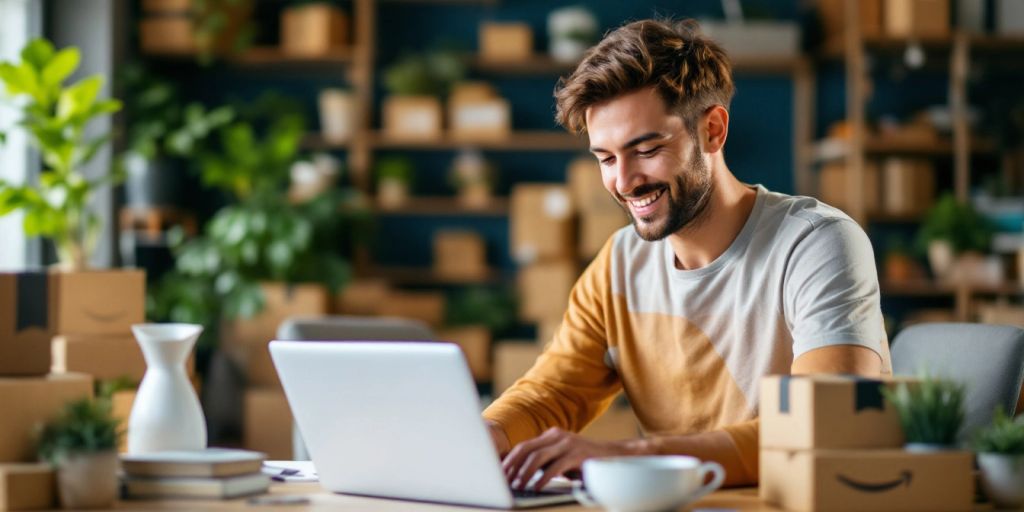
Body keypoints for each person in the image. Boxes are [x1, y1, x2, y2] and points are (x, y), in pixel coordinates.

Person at [482, 18, 891, 491]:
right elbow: (550, 394)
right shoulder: (618, 265)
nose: (624, 181)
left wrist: (632, 455)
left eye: (647, 149)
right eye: (606, 158)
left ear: (713, 130)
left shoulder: (816, 244)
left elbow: (832, 424)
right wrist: (483, 436)